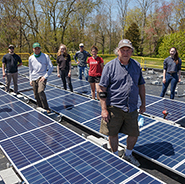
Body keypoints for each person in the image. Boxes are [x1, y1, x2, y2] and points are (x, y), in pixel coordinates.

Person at [99, 39, 146, 167]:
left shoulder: (136, 66)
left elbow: (141, 85)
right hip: (114, 107)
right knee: (113, 134)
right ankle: (114, 157)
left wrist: (143, 103)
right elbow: (102, 88)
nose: (125, 53)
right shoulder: (110, 66)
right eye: (123, 50)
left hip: (131, 108)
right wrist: (104, 109)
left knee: (134, 133)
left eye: (128, 50)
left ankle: (128, 154)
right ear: (118, 51)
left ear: (131, 51)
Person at [29, 42, 53, 113]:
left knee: (40, 91)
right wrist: (30, 79)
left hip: (42, 77)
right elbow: (30, 69)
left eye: (38, 48)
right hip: (34, 77)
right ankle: (39, 107)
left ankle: (46, 108)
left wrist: (45, 76)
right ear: (33, 49)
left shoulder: (45, 56)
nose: (37, 50)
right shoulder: (31, 58)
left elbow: (51, 67)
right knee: (36, 95)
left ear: (40, 48)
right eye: (35, 48)